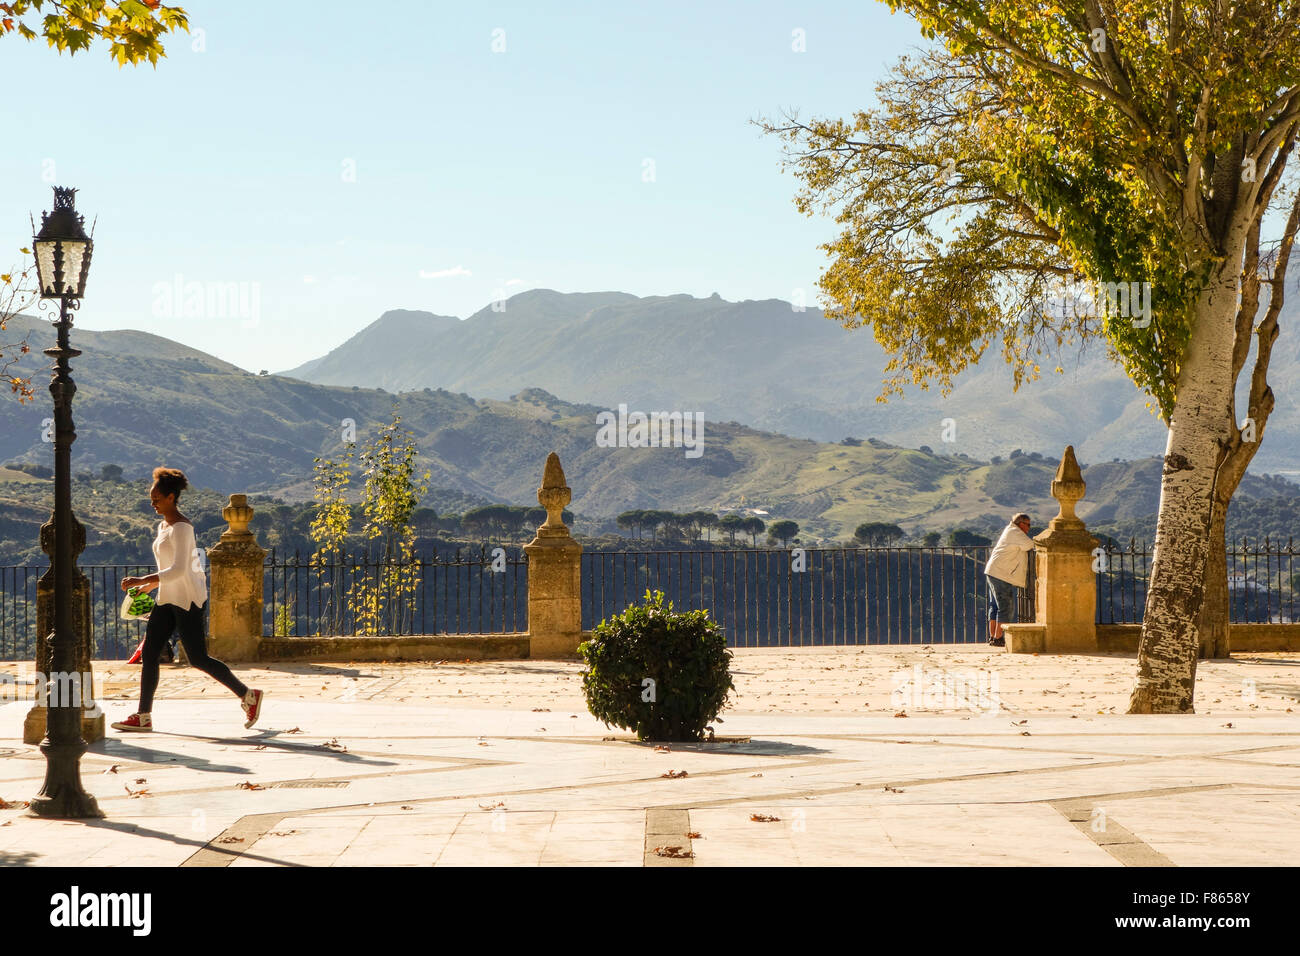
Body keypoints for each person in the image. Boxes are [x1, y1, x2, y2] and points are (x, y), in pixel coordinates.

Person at [111, 467, 264, 732]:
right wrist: (148, 589)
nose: (153, 503)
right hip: (168, 597)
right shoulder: (163, 526)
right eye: (152, 498)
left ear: (171, 497)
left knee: (198, 658)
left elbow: (180, 569)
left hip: (188, 600)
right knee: (149, 654)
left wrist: (142, 581)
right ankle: (143, 716)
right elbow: (168, 566)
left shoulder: (182, 528)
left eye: (157, 498)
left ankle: (249, 696)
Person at [983, 512, 1034, 647]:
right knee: (1005, 606)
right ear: (1021, 524)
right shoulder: (1015, 532)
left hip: (994, 571)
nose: (1029, 528)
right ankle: (998, 638)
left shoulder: (1010, 530)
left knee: (995, 606)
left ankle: (993, 636)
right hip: (1001, 573)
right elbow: (1029, 545)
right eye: (1028, 524)